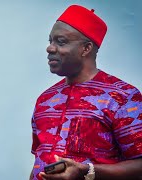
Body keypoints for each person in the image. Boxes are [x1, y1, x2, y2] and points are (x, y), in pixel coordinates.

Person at [30, 4, 142, 180]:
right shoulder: (45, 99)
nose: (50, 48)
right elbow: (39, 161)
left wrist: (87, 171)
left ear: (86, 48)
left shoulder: (122, 97)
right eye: (50, 41)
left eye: (61, 42)